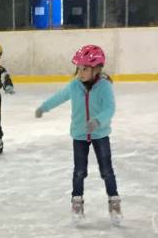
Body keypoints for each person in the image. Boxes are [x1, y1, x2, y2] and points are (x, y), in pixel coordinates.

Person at [36, 44, 121, 224]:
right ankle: (77, 203)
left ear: (96, 69)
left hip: (100, 134)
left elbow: (110, 108)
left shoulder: (104, 86)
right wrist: (44, 107)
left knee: (107, 170)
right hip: (80, 135)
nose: (80, 73)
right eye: (79, 68)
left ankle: (114, 202)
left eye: (85, 69)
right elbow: (59, 97)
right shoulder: (75, 86)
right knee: (79, 171)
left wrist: (98, 121)